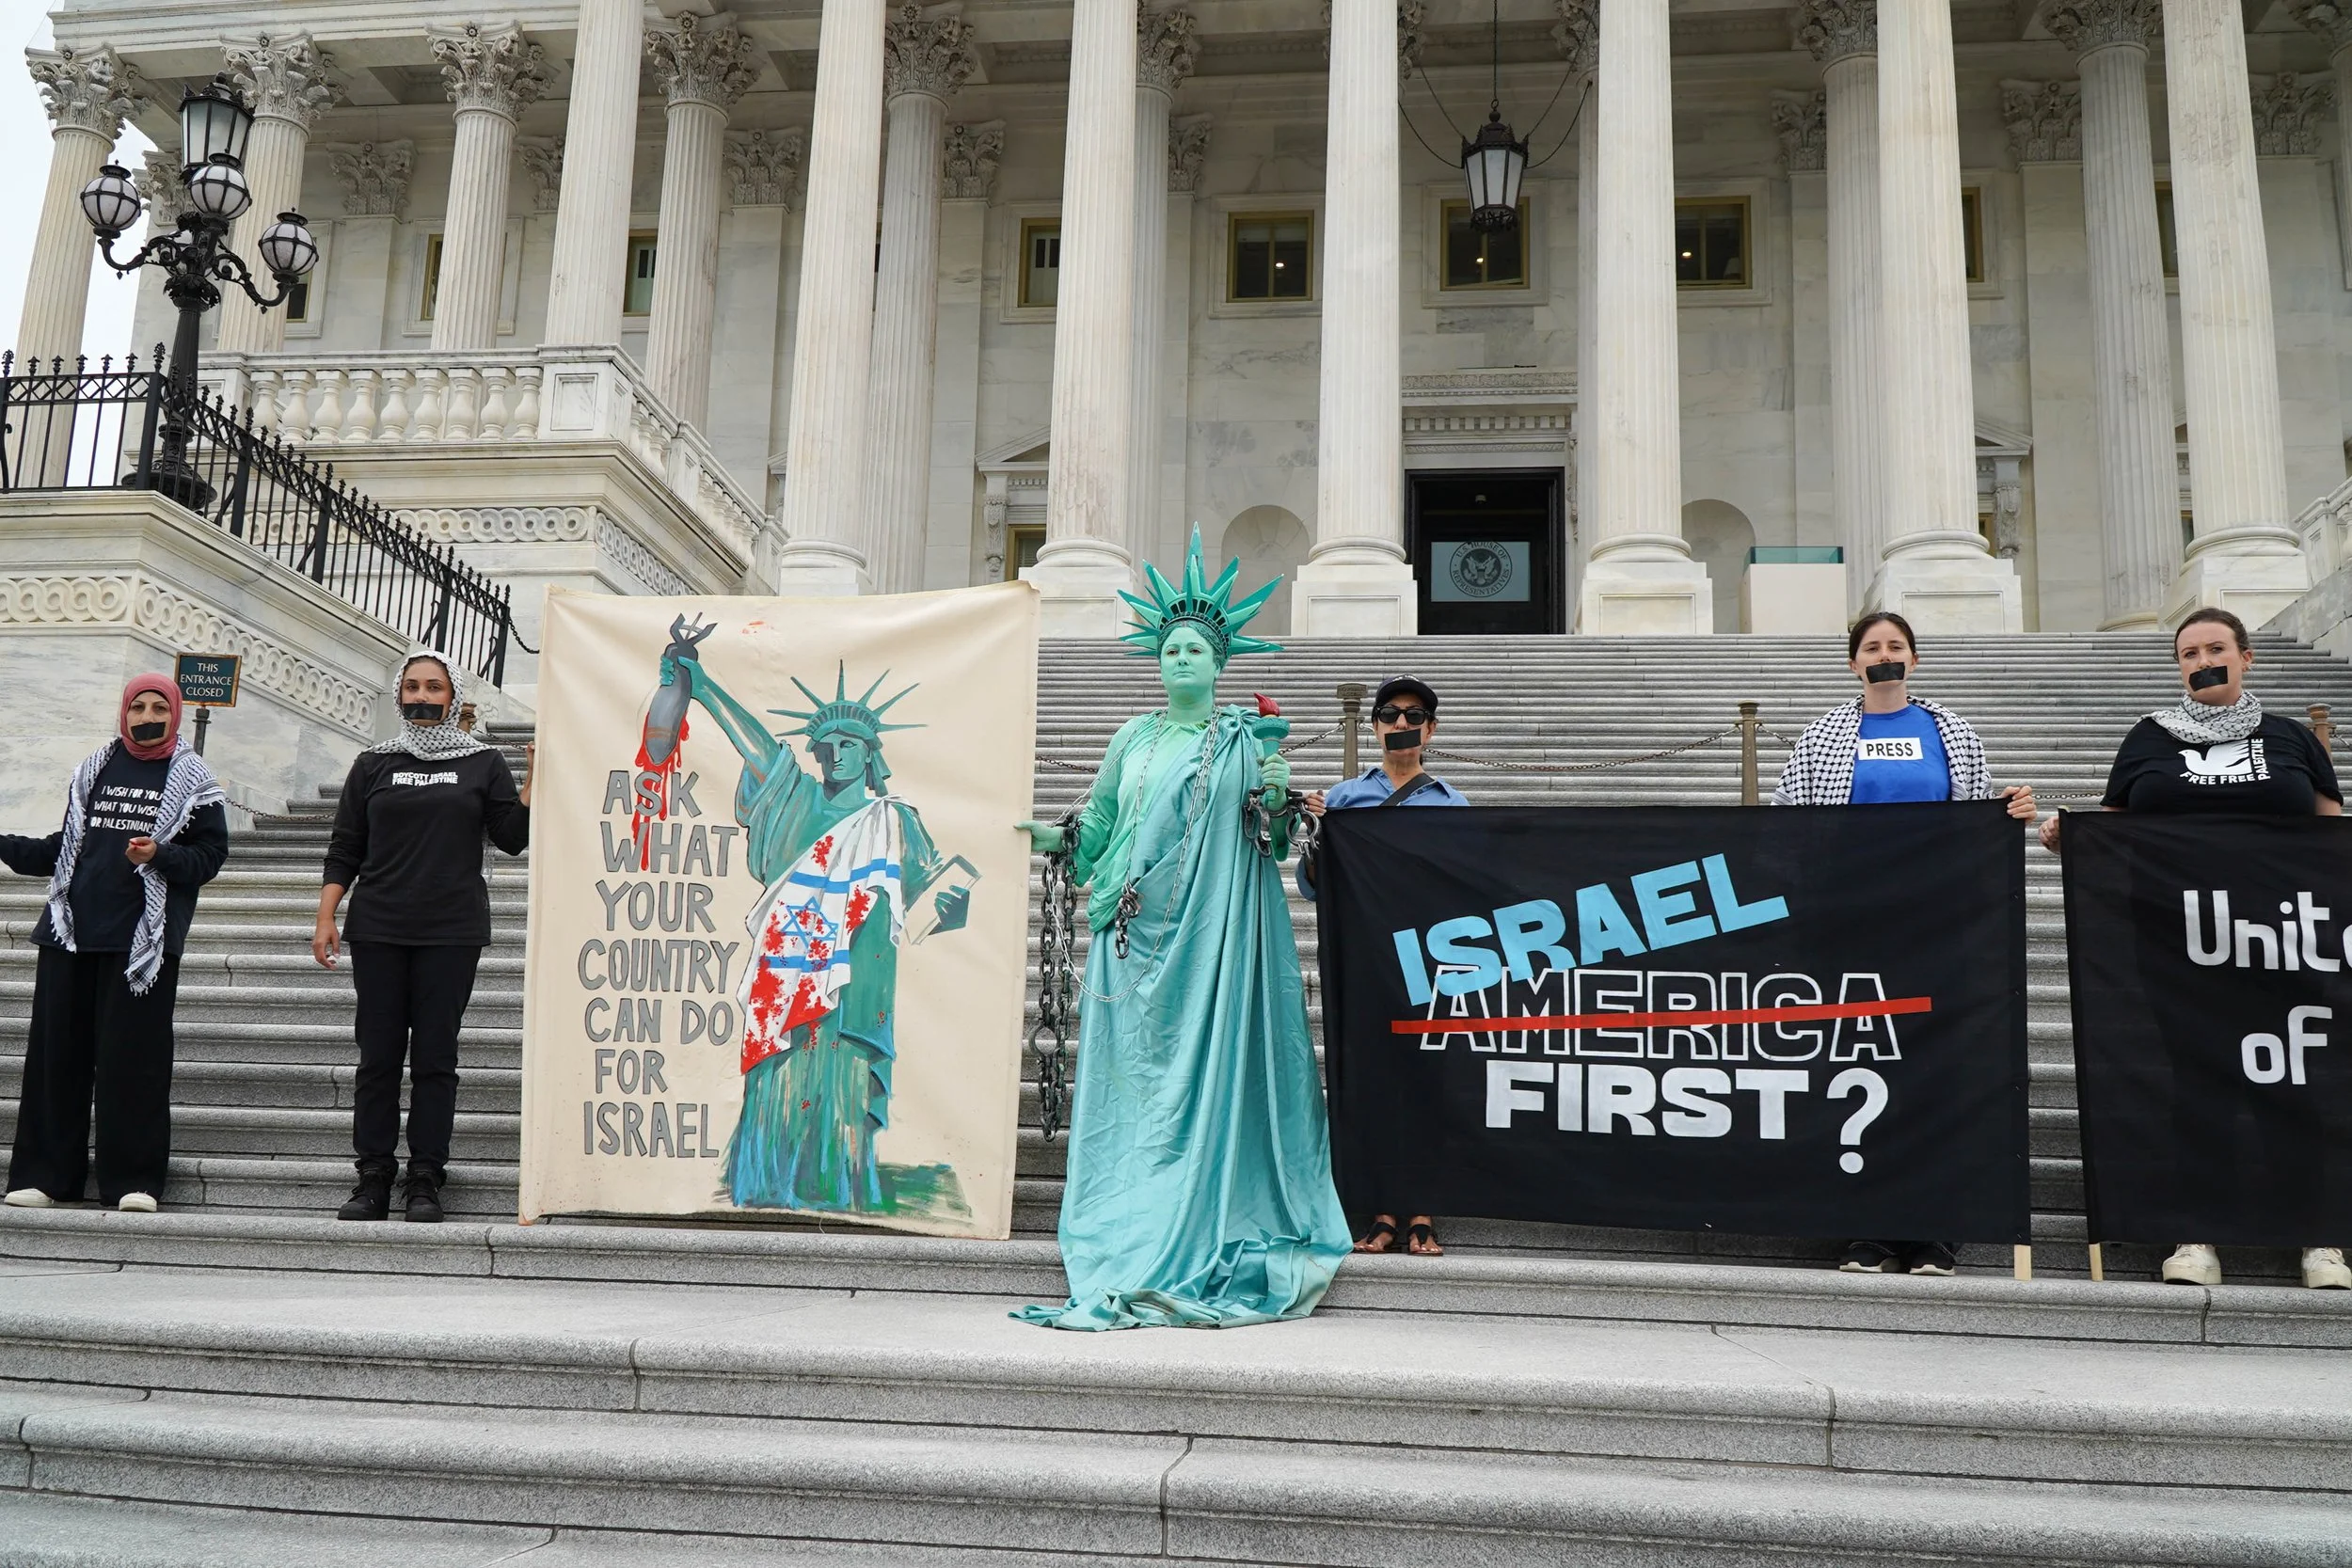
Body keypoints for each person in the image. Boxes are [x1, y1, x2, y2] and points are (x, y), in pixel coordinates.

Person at [1012, 528, 1351, 1329]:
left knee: (1200, 1083)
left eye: (1196, 649)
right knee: (1129, 1083)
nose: (1182, 660)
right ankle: (1129, 1213)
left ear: (1219, 661)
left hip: (1210, 942)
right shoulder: (1131, 737)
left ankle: (1199, 1209)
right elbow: (1102, 819)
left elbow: (1268, 842)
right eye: (1171, 650)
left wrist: (1276, 792)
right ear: (1157, 662)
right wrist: (1061, 838)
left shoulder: (1240, 741)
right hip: (1129, 938)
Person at [2041, 607, 2349, 1291]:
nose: (2203, 661)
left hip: (2280, 939)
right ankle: (2196, 1231)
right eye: (2189, 653)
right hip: (2180, 942)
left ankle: (2318, 1235)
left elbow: (2332, 837)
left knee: (2297, 1083)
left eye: (2215, 648)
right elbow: (2115, 823)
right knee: (2192, 1083)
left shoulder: (2292, 738)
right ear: (2178, 665)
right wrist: (2073, 836)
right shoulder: (2149, 738)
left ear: (2246, 657)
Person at [660, 636, 973, 1218]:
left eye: (849, 744)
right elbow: (758, 746)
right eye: (825, 745)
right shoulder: (796, 802)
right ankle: (766, 1184)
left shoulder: (893, 819)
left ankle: (834, 1187)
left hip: (858, 982)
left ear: (871, 755)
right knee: (778, 1074)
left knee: (842, 1083)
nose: (835, 755)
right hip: (787, 969)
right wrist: (701, 687)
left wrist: (954, 905)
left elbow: (932, 902)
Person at [1775, 611, 2037, 1277]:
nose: (1884, 654)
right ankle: (1869, 1224)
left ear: (1914, 660)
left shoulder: (1951, 732)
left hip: (1938, 923)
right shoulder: (1822, 736)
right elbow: (1786, 825)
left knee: (1936, 1069)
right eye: (1871, 647)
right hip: (1852, 925)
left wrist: (2008, 809)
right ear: (1853, 663)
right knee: (1860, 1066)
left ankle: (1935, 1227)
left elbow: (1978, 812)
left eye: (1896, 645)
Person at [313, 652, 532, 1224]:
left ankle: (426, 1178)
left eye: (434, 687)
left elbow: (512, 839)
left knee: (435, 1059)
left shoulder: (483, 762)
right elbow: (346, 847)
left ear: (452, 696)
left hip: (451, 930)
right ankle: (373, 1176)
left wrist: (533, 782)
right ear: (399, 694)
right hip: (379, 927)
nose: (421, 696)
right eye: (412, 686)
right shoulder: (373, 763)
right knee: (378, 1058)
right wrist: (326, 916)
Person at [0, 675, 229, 1212]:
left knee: (134, 1064)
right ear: (124, 712)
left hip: (142, 943)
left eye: (158, 707)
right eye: (137, 707)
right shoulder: (95, 768)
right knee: (56, 1061)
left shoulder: (194, 779)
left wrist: (160, 855)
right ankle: (46, 1177)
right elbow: (66, 848)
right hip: (70, 935)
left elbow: (209, 857)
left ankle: (133, 1181)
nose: (147, 716)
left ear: (174, 714)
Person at [1299, 673, 1467, 1258]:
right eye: (1391, 713)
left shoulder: (1452, 806)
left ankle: (1420, 1209)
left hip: (1429, 961)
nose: (1402, 723)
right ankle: (1380, 1211)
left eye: (1414, 716)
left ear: (1431, 730)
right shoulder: (1344, 801)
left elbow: (1467, 885)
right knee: (1370, 1080)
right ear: (1374, 726)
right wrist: (1319, 835)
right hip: (1364, 958)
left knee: (1424, 1081)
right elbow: (1317, 886)